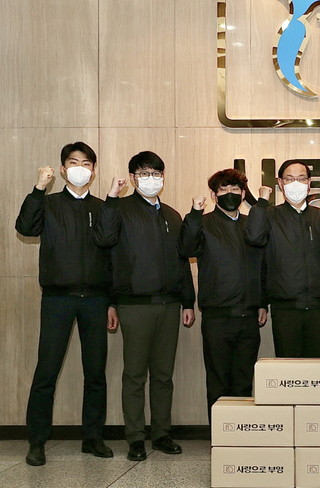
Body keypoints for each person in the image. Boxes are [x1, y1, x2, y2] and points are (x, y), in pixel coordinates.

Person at [16, 142, 116, 466]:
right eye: (73, 163)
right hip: (57, 299)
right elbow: (25, 228)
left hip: (96, 299)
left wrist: (112, 303)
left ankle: (93, 437)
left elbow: (112, 255)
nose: (80, 168)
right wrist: (38, 188)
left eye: (86, 164)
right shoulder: (48, 203)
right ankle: (37, 441)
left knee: (95, 372)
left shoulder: (103, 207)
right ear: (62, 170)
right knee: (46, 371)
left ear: (93, 171)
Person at [93, 151, 195, 462]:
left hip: (169, 304)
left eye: (156, 173)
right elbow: (104, 244)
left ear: (163, 177)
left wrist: (188, 301)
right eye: (144, 173)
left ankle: (162, 433)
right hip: (134, 304)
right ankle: (136, 437)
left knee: (163, 375)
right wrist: (111, 199)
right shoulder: (120, 209)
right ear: (133, 178)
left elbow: (183, 262)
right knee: (135, 375)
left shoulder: (173, 215)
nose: (151, 178)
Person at [179, 169, 267, 420]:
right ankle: (219, 435)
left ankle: (240, 433)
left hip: (249, 316)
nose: (230, 194)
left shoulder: (252, 225)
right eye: (224, 189)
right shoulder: (203, 222)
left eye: (235, 189)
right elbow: (186, 248)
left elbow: (262, 266)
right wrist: (194, 213)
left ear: (243, 194)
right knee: (218, 381)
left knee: (243, 380)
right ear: (214, 195)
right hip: (217, 316)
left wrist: (262, 302)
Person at [245, 160, 320, 358]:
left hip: (318, 305)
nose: (296, 183)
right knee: (288, 367)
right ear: (280, 183)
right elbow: (254, 239)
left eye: (301, 178)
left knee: (317, 367)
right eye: (289, 179)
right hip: (284, 305)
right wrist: (261, 203)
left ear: (309, 183)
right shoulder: (270, 215)